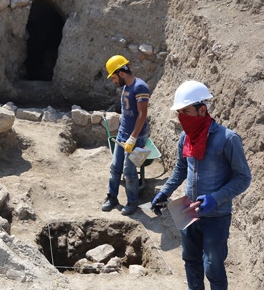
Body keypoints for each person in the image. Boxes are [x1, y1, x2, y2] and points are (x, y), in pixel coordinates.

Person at [150, 80, 252, 290]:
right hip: (189, 212)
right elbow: (180, 169)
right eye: (180, 113)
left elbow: (243, 178)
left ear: (202, 109)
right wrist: (165, 192)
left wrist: (215, 198)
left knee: (213, 267)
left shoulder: (227, 139)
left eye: (186, 111)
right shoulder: (185, 138)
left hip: (217, 216)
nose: (182, 118)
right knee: (190, 261)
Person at [101, 55, 150, 216]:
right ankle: (112, 197)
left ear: (121, 73)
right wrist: (123, 133)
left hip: (135, 138)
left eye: (114, 77)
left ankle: (132, 202)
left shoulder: (139, 87)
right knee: (115, 168)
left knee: (129, 173)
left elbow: (142, 114)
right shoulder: (126, 88)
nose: (113, 81)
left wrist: (134, 137)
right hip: (123, 135)